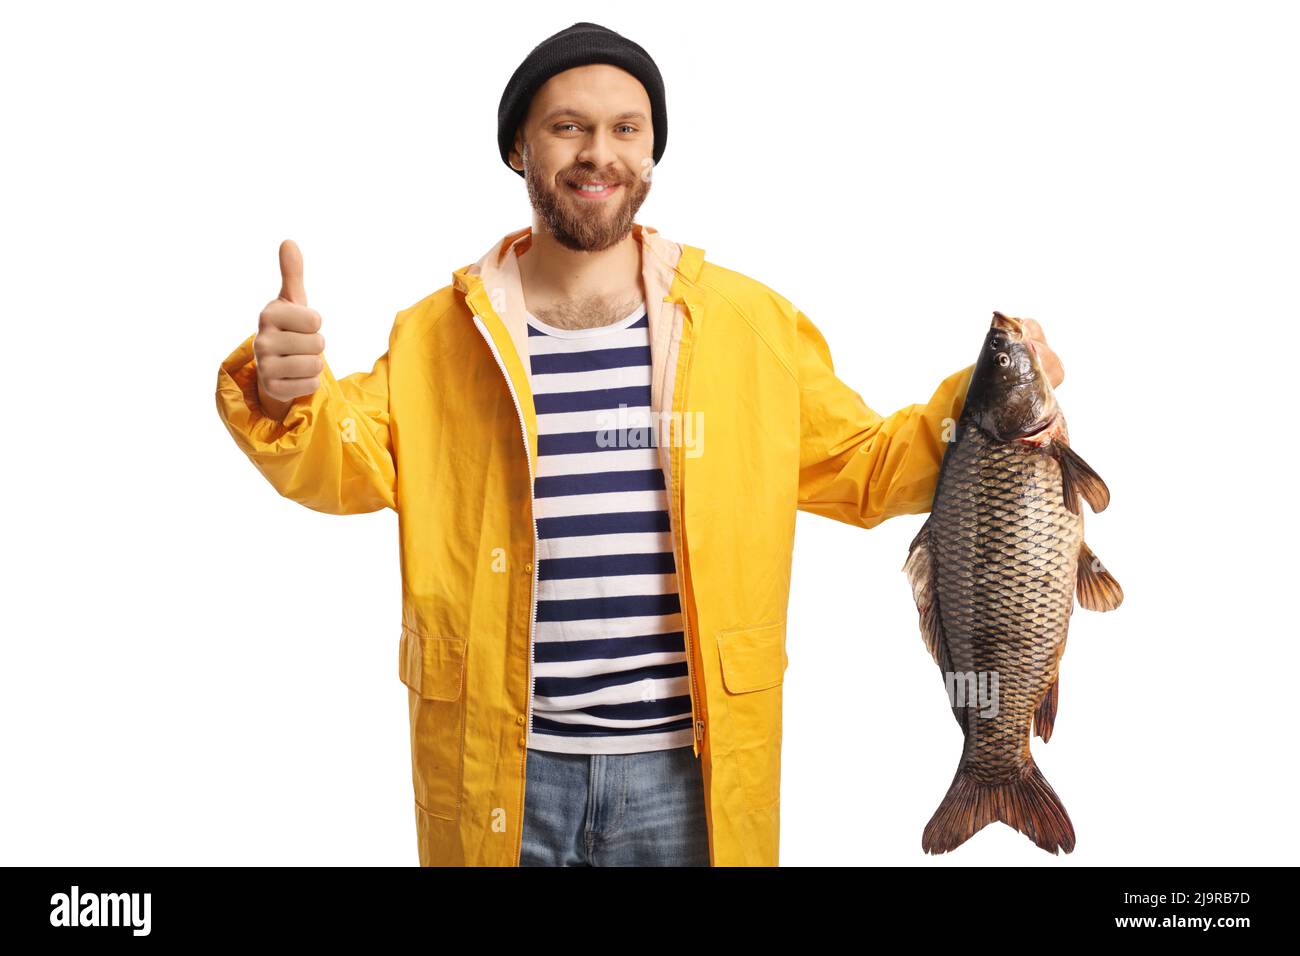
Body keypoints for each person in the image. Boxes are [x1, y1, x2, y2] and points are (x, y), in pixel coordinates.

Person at [215, 21, 1064, 867]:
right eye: (568, 126)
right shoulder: (439, 338)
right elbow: (347, 459)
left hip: (687, 777)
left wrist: (992, 399)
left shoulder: (745, 325)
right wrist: (284, 392)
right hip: (506, 773)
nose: (599, 152)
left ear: (652, 151)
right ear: (520, 147)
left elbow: (867, 467)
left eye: (627, 128)